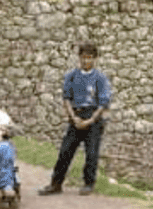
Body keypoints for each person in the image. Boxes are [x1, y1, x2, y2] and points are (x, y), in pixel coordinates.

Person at [38, 42, 112, 196]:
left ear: (95, 59)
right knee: (65, 151)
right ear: (79, 58)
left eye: (90, 58)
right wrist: (74, 118)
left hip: (93, 117)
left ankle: (88, 183)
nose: (86, 61)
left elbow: (103, 103)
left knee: (91, 153)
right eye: (84, 58)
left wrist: (90, 120)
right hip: (75, 116)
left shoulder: (100, 78)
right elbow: (66, 98)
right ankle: (56, 183)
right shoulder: (71, 76)